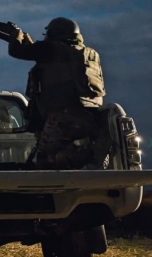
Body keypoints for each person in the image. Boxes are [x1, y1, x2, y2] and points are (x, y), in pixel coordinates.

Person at [8, 17, 109, 169]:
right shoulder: (88, 54)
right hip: (90, 117)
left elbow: (16, 51)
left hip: (62, 118)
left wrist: (15, 35)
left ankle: (81, 160)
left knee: (42, 162)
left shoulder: (51, 49)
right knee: (62, 153)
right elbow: (54, 63)